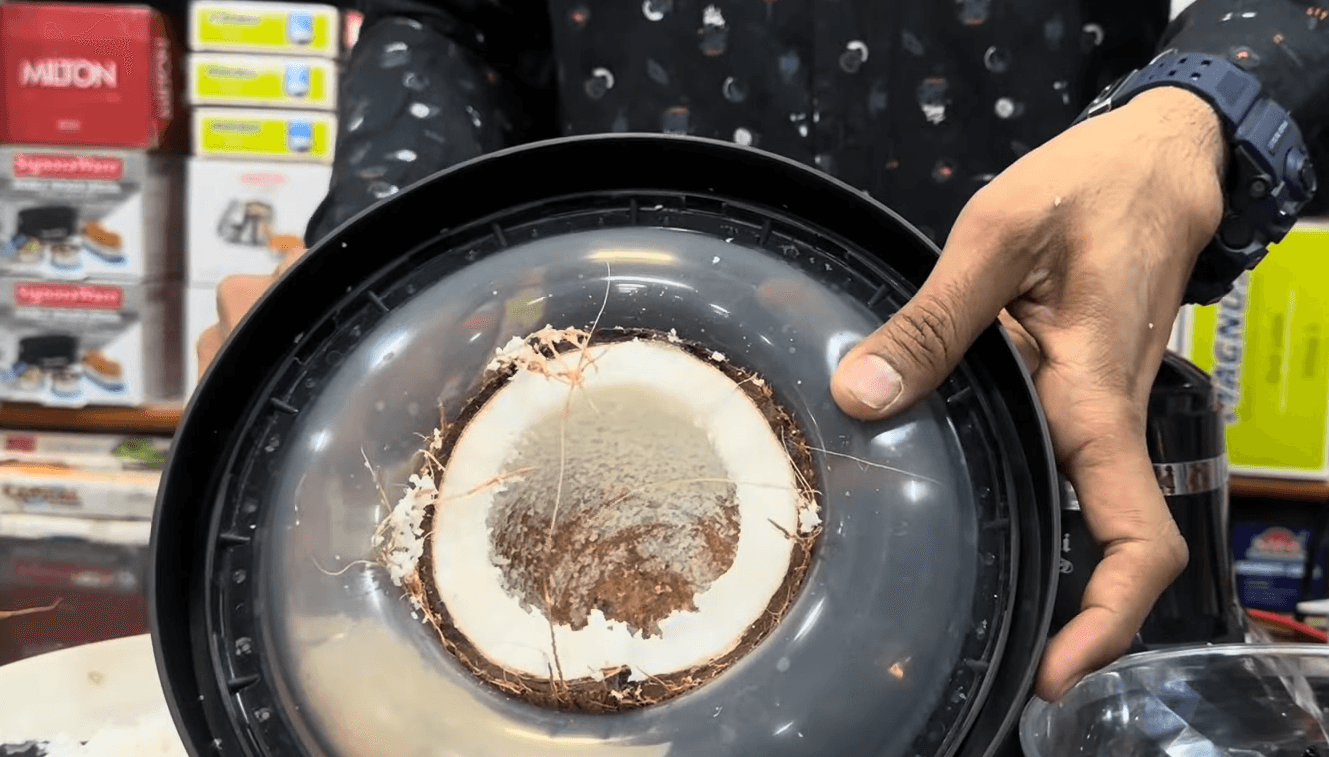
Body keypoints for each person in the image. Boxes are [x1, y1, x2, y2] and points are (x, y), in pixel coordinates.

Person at [199, 0, 1328, 702]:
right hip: (597, 434)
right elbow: (451, 21)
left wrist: (1200, 109)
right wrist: (369, 294)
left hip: (1031, 441)